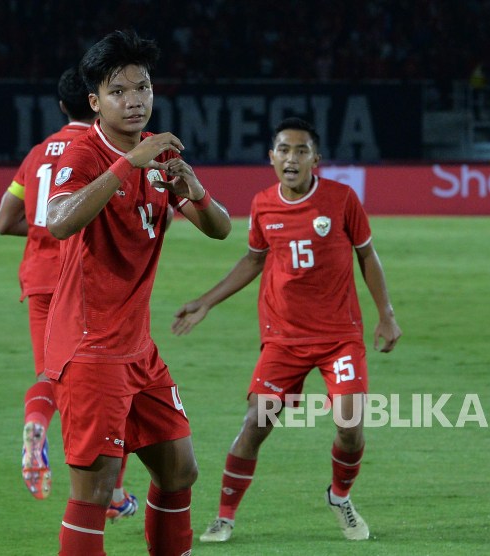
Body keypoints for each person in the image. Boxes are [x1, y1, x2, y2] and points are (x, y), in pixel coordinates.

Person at [45, 30, 232, 556]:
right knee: (96, 490)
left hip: (138, 350)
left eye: (143, 88)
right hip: (90, 348)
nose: (134, 101)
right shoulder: (86, 153)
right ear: (94, 102)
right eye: (119, 91)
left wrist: (192, 188)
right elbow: (58, 222)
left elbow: (219, 229)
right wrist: (129, 162)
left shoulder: (160, 159)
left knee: (179, 470)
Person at [172, 117, 402, 543]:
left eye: (300, 150)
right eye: (282, 149)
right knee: (255, 425)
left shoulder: (342, 199)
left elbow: (367, 255)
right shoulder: (263, 204)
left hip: (340, 336)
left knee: (350, 426)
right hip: (284, 338)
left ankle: (339, 495)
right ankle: (224, 516)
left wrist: (386, 313)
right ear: (271, 157)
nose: (290, 158)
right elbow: (253, 260)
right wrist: (206, 301)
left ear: (316, 158)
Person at [0, 69, 139, 521]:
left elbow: (5, 220)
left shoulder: (39, 153)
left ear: (62, 106)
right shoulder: (100, 151)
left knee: (52, 373)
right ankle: (112, 495)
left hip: (39, 277)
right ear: (97, 101)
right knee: (112, 385)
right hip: (85, 281)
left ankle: (38, 424)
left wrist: (43, 233)